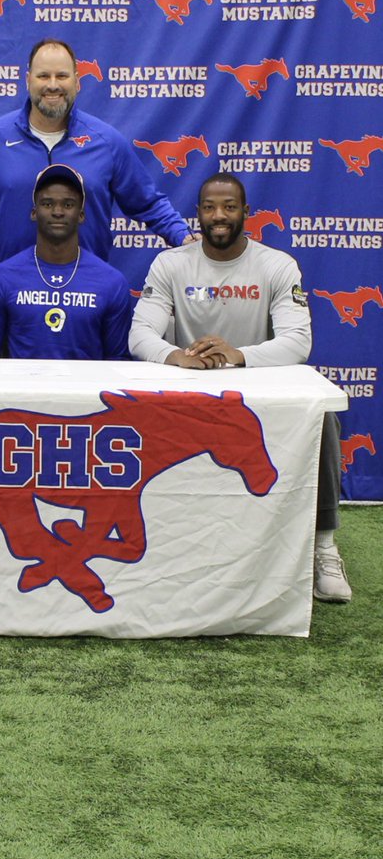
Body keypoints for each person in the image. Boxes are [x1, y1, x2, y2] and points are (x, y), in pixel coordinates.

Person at [128, 172, 350, 603]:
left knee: (323, 418)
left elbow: (297, 340)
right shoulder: (171, 264)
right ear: (198, 213)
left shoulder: (277, 265)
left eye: (229, 207)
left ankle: (323, 546)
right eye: (210, 207)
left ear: (246, 213)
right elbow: (140, 335)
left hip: (256, 396)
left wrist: (236, 356)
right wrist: (178, 357)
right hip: (187, 394)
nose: (219, 216)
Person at [0, 37, 194, 264]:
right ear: (28, 80)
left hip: (88, 294)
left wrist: (183, 237)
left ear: (77, 81)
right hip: (12, 293)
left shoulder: (106, 142)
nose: (53, 85)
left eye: (62, 76)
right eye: (43, 76)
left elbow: (148, 203)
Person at [0, 164, 132, 360]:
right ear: (34, 212)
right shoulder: (2, 278)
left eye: (68, 204)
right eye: (47, 204)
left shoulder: (112, 283)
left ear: (81, 215)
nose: (58, 212)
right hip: (22, 389)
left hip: (85, 390)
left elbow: (118, 360)